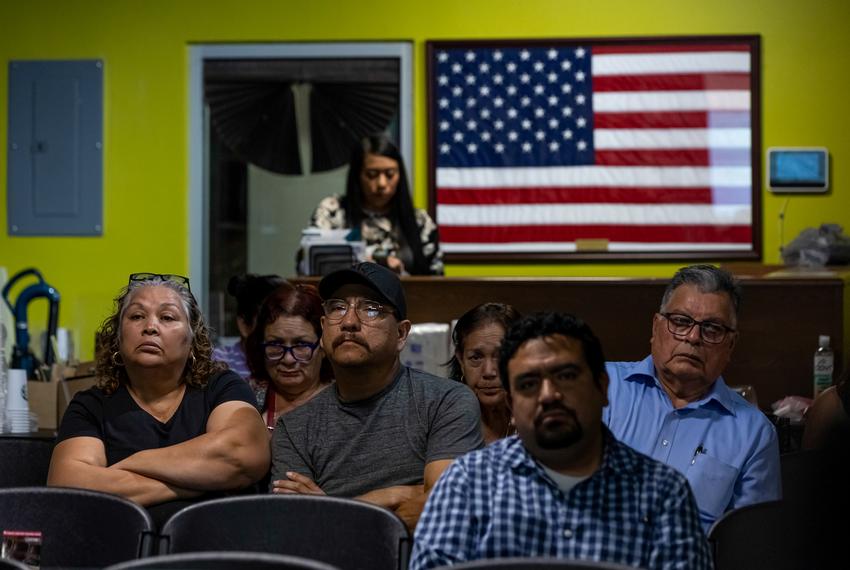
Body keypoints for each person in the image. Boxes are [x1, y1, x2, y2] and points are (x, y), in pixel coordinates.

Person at [411, 312, 710, 570]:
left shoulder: (663, 493)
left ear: (603, 387)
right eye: (528, 384)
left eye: (566, 376)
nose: (548, 395)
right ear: (512, 404)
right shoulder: (467, 483)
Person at [270, 262, 481, 529]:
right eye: (337, 307)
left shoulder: (446, 402)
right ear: (323, 330)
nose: (348, 322)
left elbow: (445, 509)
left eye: (371, 309)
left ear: (401, 334)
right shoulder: (294, 428)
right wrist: (398, 495)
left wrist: (331, 511)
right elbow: (293, 530)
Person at [48, 273, 270, 525]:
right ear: (117, 338)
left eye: (167, 317)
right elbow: (68, 487)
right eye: (136, 316)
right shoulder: (91, 405)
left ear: (193, 340)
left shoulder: (221, 387)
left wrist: (131, 464)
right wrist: (199, 482)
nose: (150, 327)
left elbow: (243, 453)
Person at [604, 264, 780, 531]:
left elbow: (752, 545)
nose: (694, 337)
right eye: (681, 322)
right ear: (656, 327)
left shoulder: (754, 434)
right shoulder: (600, 388)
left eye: (712, 329)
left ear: (730, 345)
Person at [307, 134, 443, 275]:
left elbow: (436, 280)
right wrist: (358, 264)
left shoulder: (419, 220)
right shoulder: (331, 212)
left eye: (390, 174)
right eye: (372, 174)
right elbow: (307, 267)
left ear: (400, 176)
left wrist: (400, 275)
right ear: (357, 175)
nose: (382, 184)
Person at [244, 283, 332, 430]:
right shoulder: (245, 398)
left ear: (324, 346)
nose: (288, 359)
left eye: (301, 345)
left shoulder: (345, 404)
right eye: (275, 345)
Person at [447, 302, 521, 444]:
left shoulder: (538, 424)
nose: (488, 372)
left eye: (501, 356)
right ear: (461, 361)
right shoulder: (444, 423)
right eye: (476, 357)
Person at [213, 273, 287, 382]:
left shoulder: (293, 360)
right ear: (244, 324)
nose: (282, 330)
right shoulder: (217, 363)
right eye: (269, 321)